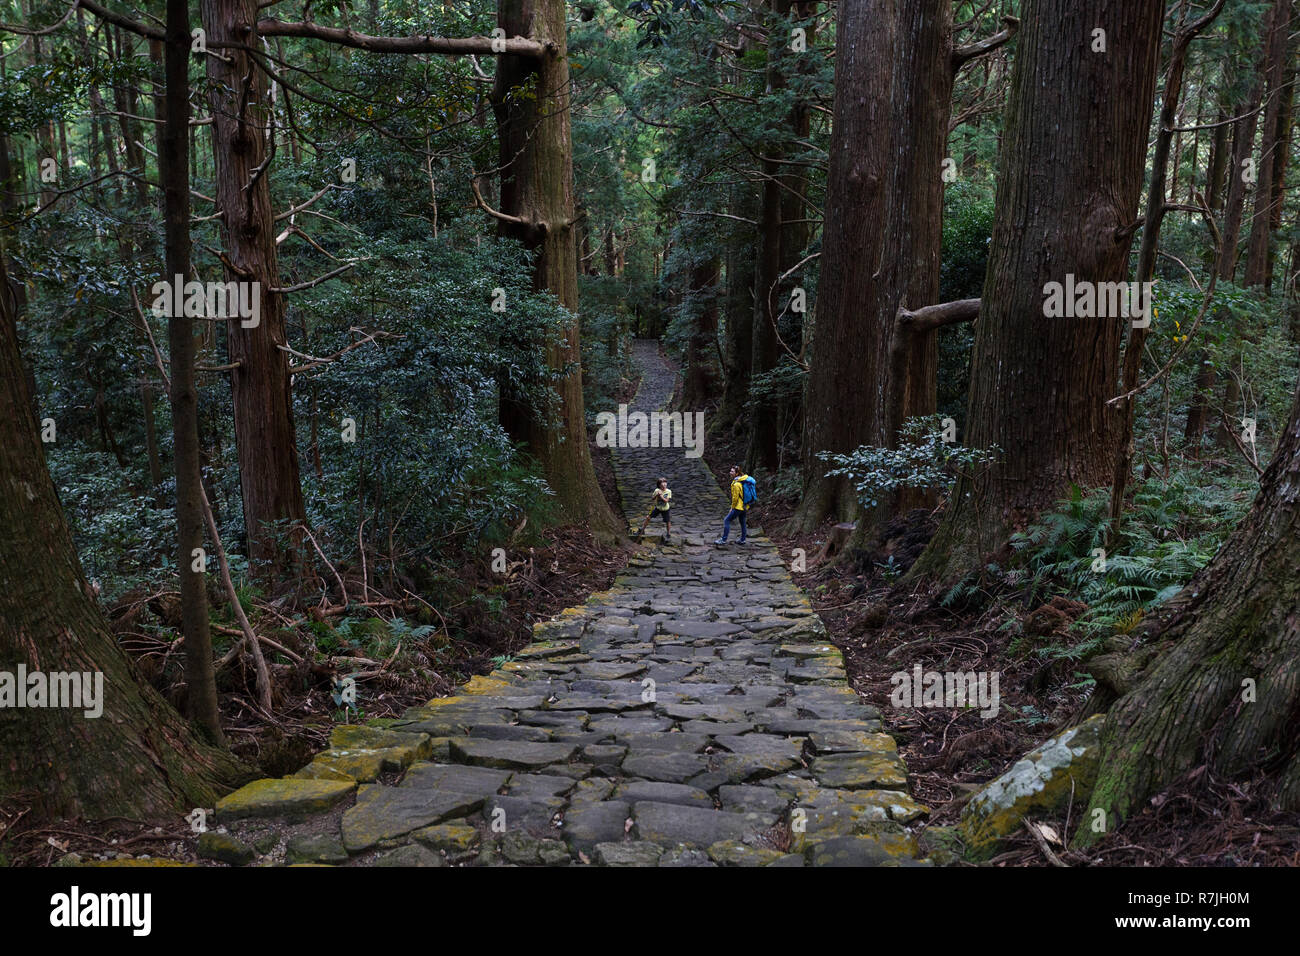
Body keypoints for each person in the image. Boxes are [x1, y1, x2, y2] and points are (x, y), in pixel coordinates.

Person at [715, 465, 750, 545]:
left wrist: (732, 507)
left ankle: (723, 540)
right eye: (730, 471)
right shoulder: (742, 480)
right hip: (744, 506)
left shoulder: (736, 484)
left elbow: (735, 498)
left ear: (737, 473)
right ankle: (742, 540)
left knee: (726, 520)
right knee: (743, 522)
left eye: (732, 471)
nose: (730, 473)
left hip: (738, 507)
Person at [637, 477, 672, 541]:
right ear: (659, 485)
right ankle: (642, 529)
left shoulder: (668, 491)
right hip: (658, 508)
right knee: (648, 517)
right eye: (662, 484)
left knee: (667, 521)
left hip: (665, 509)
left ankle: (668, 533)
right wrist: (657, 495)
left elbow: (666, 501)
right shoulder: (656, 490)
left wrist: (661, 496)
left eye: (665, 483)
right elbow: (653, 498)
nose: (664, 485)